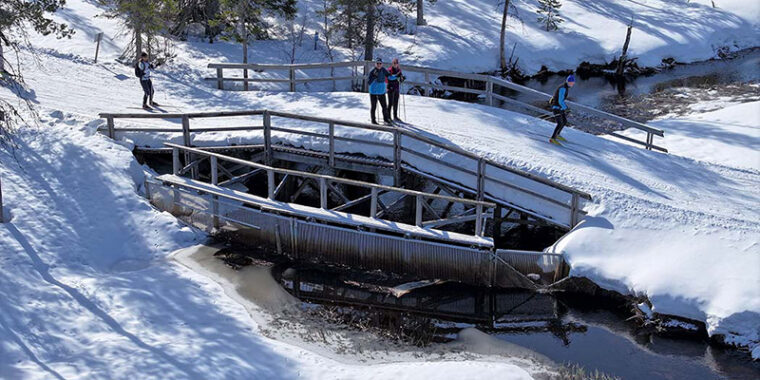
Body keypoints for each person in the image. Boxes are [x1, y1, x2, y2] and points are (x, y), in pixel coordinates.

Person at [549, 74, 575, 145]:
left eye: (573, 82)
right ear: (568, 82)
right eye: (572, 82)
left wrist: (564, 108)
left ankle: (557, 134)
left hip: (560, 107)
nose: (573, 83)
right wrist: (565, 108)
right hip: (556, 107)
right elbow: (560, 101)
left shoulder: (565, 87)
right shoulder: (563, 88)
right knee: (560, 123)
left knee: (564, 121)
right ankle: (552, 138)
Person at [367, 57, 391, 125]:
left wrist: (398, 77)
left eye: (380, 63)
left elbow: (389, 76)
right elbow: (369, 82)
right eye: (377, 63)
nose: (379, 65)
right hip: (373, 92)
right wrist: (374, 76)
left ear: (382, 64)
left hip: (381, 92)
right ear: (375, 64)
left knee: (384, 106)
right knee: (374, 106)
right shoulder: (372, 71)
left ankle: (386, 119)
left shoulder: (383, 70)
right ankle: (373, 120)